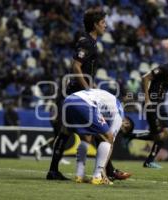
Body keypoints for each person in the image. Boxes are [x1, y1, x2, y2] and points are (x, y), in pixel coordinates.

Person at [46, 8, 130, 181]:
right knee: (100, 131)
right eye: (102, 23)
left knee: (67, 131)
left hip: (78, 92)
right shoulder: (86, 42)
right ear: (94, 25)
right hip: (79, 95)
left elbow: (83, 70)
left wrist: (91, 86)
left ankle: (54, 170)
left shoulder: (91, 42)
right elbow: (76, 66)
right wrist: (87, 89)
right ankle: (107, 170)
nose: (105, 25)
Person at [130, 46, 168, 168]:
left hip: (161, 104)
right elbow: (145, 78)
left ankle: (149, 161)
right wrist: (147, 100)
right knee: (157, 135)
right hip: (152, 103)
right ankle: (129, 136)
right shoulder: (164, 68)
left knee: (165, 133)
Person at [63, 89, 134, 184]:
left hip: (69, 100)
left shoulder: (110, 107)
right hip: (85, 103)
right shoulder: (119, 116)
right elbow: (110, 140)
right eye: (123, 130)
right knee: (109, 138)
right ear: (126, 123)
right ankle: (98, 176)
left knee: (86, 138)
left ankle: (80, 175)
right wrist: (103, 172)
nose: (120, 131)